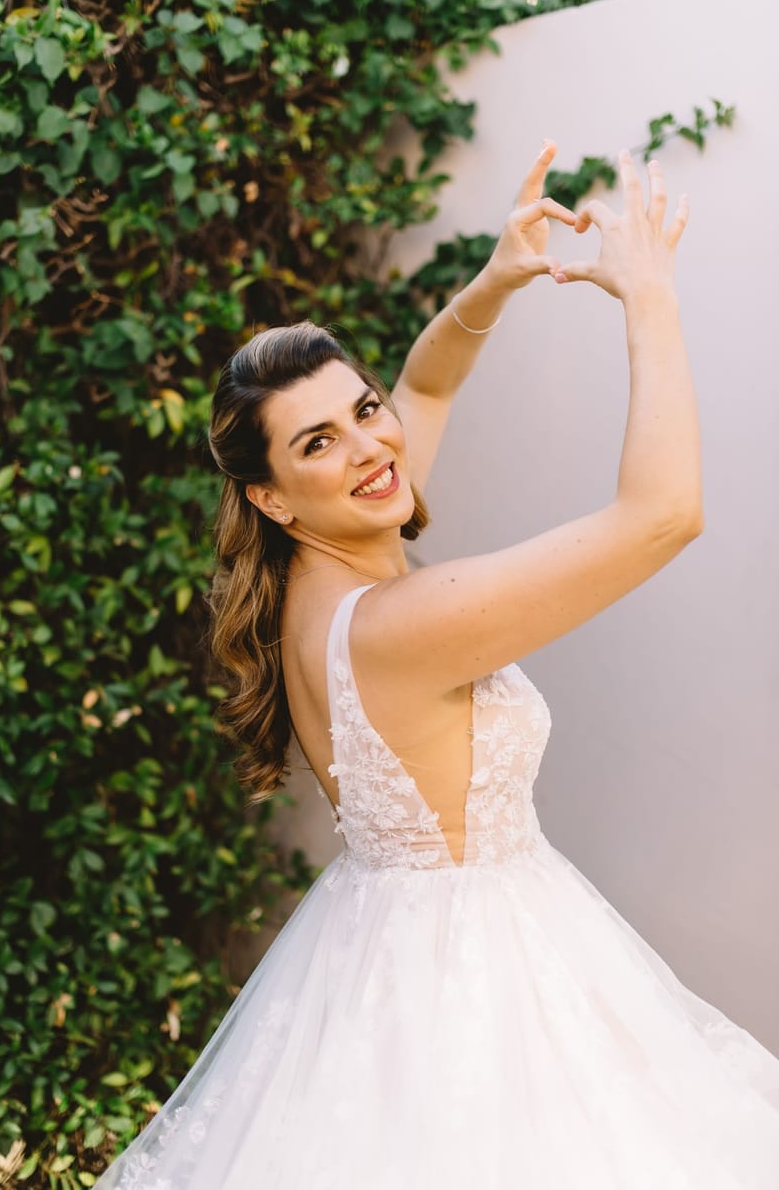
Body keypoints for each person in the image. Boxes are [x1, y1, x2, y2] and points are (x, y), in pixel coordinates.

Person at [96, 145, 779, 1189]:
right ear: (273, 498)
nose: (372, 449)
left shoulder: (310, 588)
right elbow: (662, 515)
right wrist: (646, 293)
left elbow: (423, 379)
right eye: (316, 444)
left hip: (388, 950)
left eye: (360, 411)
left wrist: (496, 277)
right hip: (479, 988)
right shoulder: (398, 623)